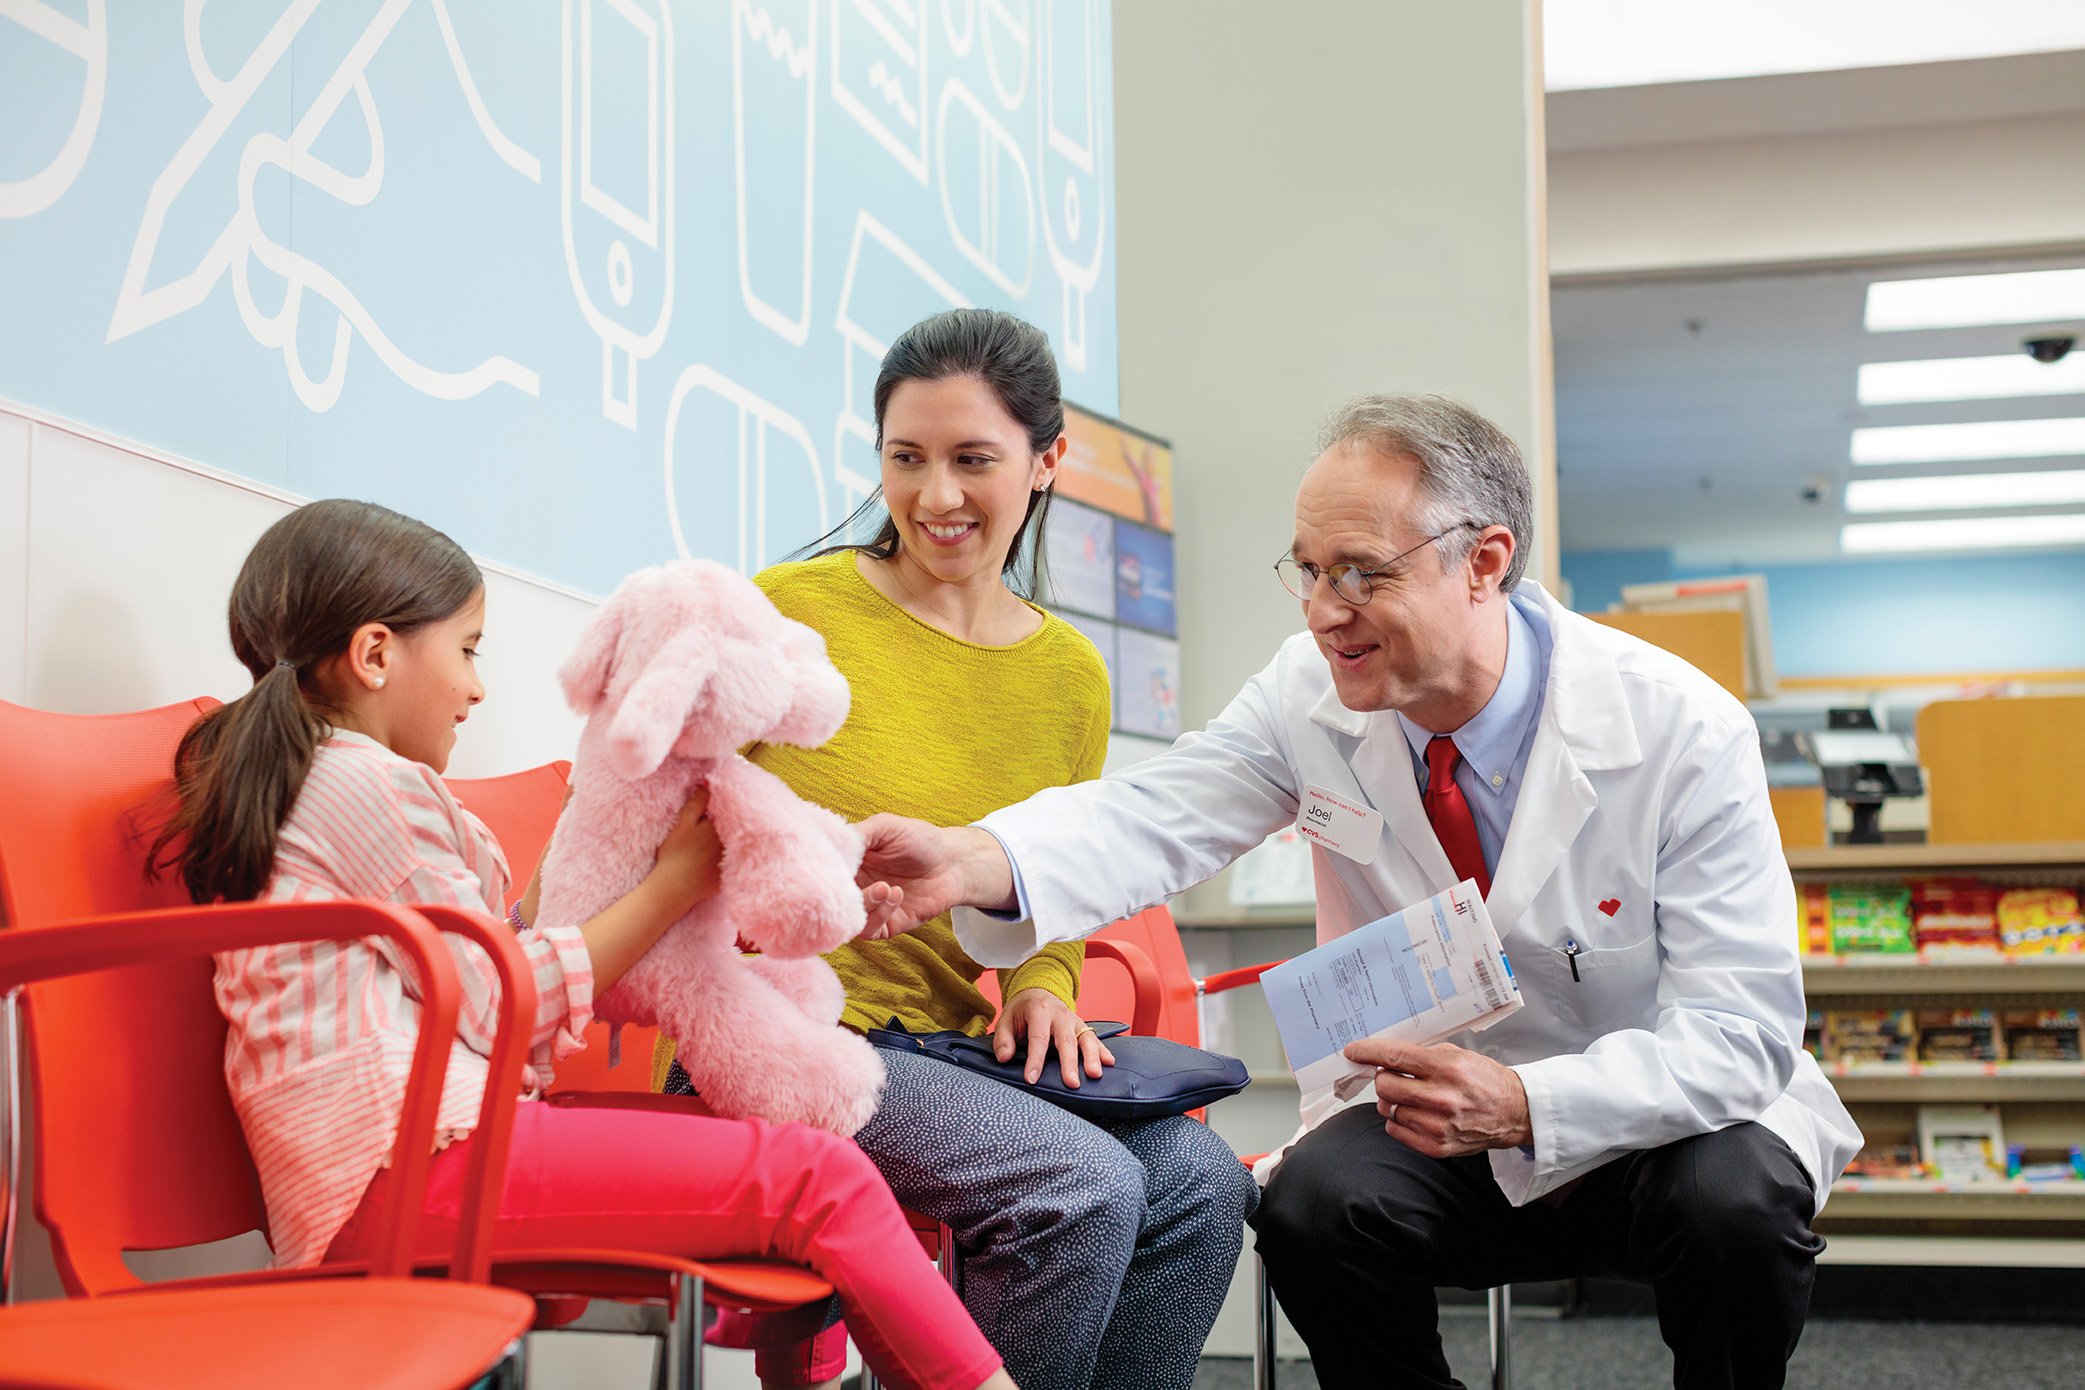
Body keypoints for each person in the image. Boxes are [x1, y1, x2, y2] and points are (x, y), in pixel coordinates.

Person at [851, 394, 1864, 1390]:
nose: (1324, 608)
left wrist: (1525, 1102)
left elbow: (1741, 1033)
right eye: (1308, 568)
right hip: (1436, 1111)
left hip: (1663, 1125)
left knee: (1736, 1209)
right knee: (1313, 1211)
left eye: (1361, 573)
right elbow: (1156, 813)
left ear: (1485, 562)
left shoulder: (1682, 729)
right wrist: (976, 859)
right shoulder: (1310, 694)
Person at [150, 498, 1017, 1390]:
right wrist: (675, 881)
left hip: (415, 1160)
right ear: (375, 654)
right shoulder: (360, 785)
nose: (477, 687)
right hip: (403, 1176)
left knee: (795, 1146)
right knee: (814, 1179)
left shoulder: (327, 782)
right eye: (467, 649)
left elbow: (485, 971)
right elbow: (499, 996)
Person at [658, 308, 1256, 1390]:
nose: (936, 496)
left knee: (1203, 1187)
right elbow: (672, 822)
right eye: (906, 458)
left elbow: (1057, 870)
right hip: (782, 1036)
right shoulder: (791, 611)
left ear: (1045, 462)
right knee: (1077, 1184)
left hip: (947, 1055)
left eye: (973, 459)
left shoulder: (1069, 673)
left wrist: (1040, 983)